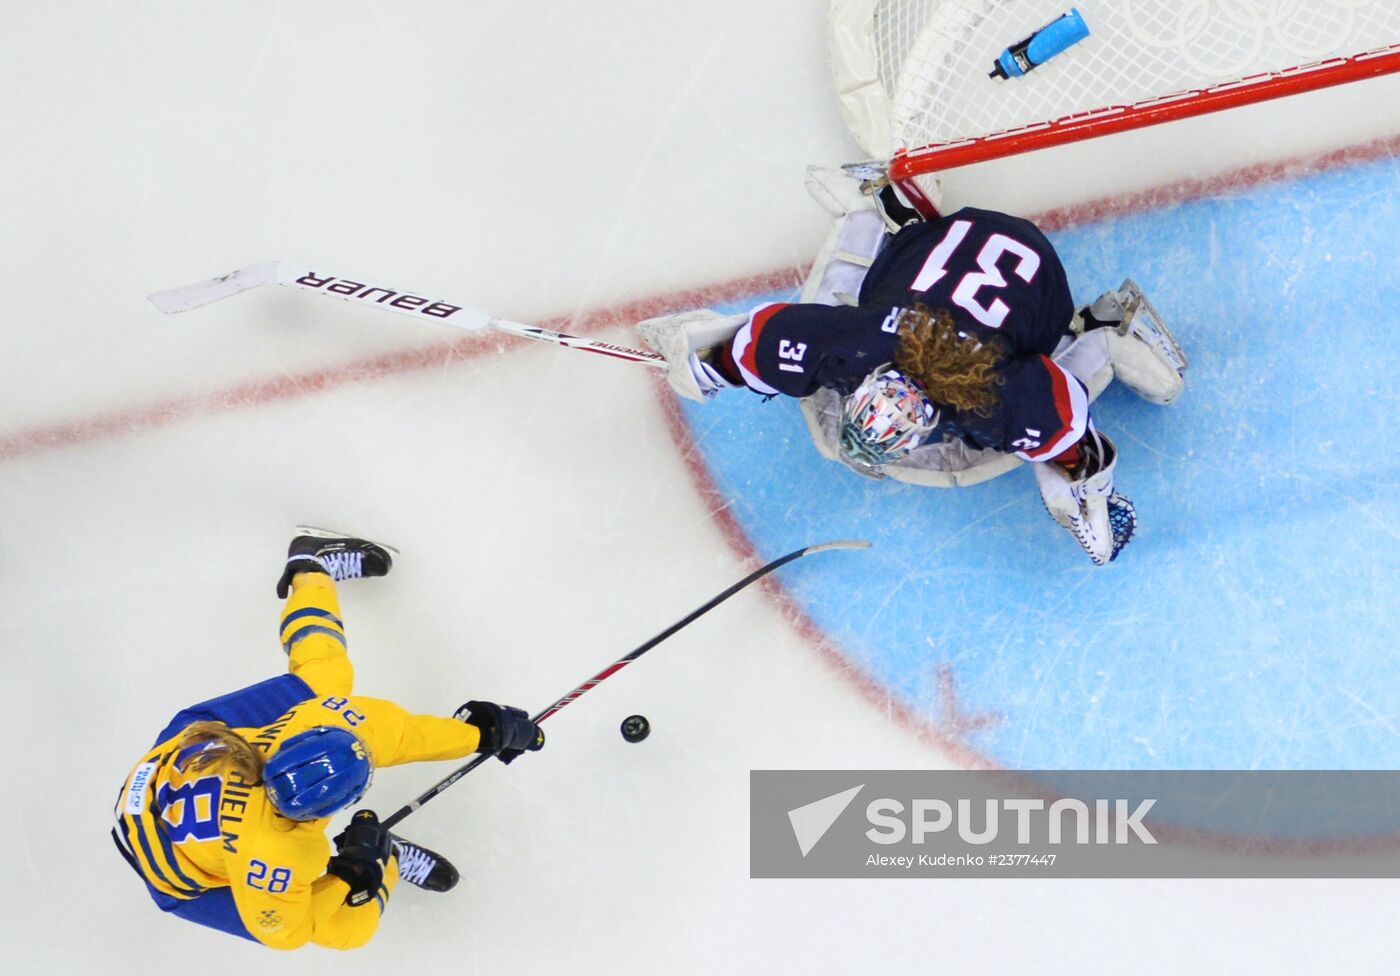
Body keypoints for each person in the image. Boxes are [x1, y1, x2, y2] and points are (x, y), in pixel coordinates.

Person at [637, 168, 1187, 566]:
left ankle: (1109, 330)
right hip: (963, 250)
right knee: (839, 320)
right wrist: (713, 363)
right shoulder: (973, 390)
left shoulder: (980, 396)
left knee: (975, 456)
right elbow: (766, 341)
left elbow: (1067, 419)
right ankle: (886, 208)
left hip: (1030, 279)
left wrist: (1084, 483)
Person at [112, 529, 545, 949]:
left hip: (174, 759)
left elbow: (400, 736)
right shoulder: (278, 856)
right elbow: (287, 931)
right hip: (174, 874)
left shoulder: (317, 720)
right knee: (342, 931)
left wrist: (479, 735)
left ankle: (309, 567)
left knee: (325, 677)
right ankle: (388, 859)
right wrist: (357, 873)